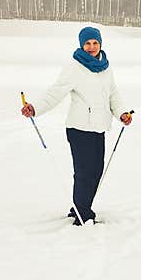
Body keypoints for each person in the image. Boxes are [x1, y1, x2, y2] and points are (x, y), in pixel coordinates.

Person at [21, 26, 132, 226]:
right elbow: (55, 93)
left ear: (100, 44)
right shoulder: (74, 66)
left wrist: (122, 113)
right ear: (81, 44)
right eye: (87, 43)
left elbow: (113, 95)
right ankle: (83, 214)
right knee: (84, 172)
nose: (91, 47)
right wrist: (35, 108)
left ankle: (79, 208)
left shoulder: (105, 67)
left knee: (96, 171)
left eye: (95, 43)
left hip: (99, 128)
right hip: (79, 128)